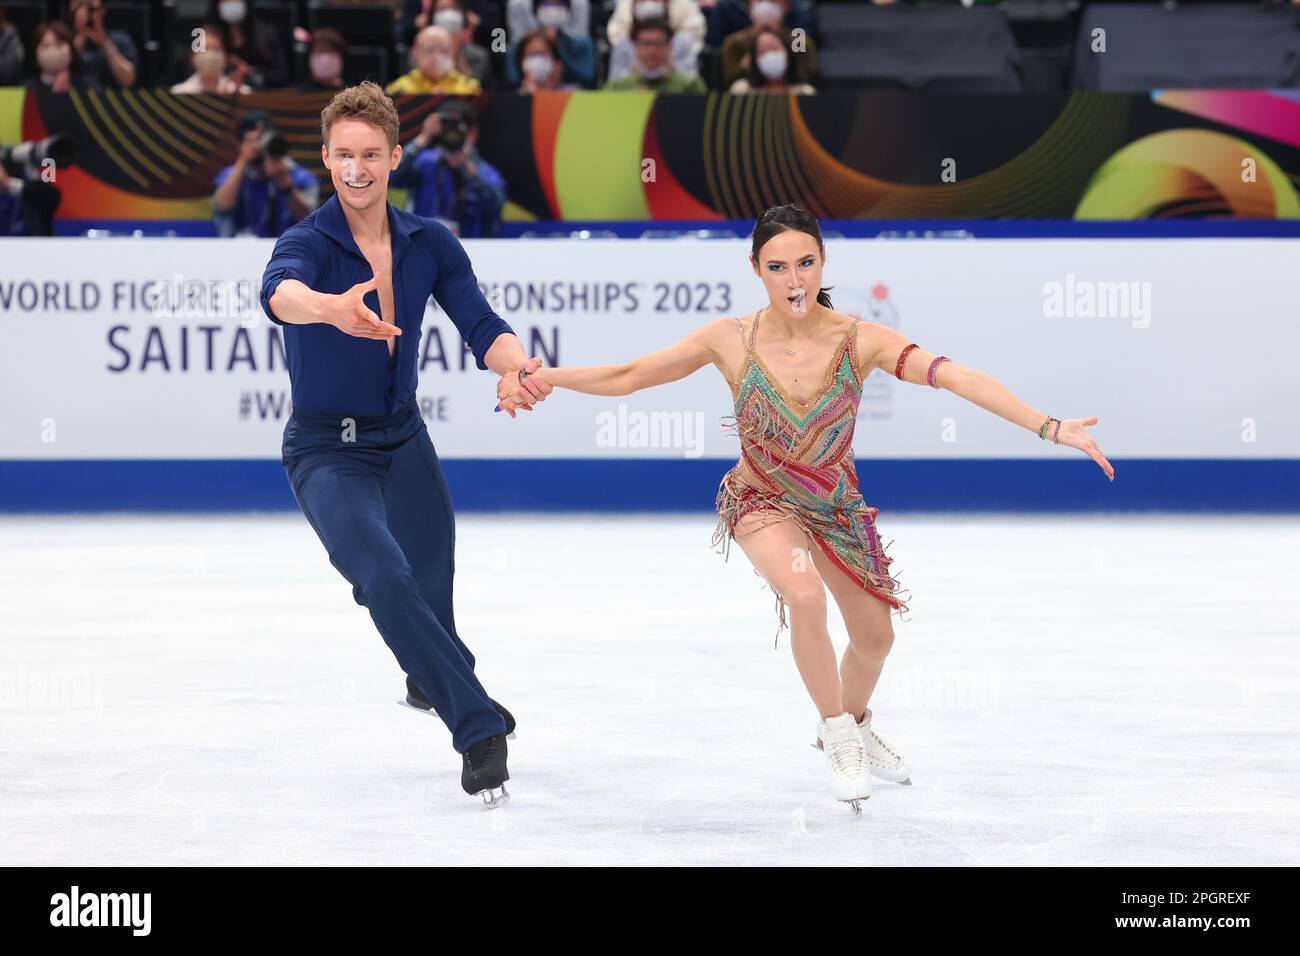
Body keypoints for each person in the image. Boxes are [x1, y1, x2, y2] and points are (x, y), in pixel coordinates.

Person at [499, 203, 1115, 810]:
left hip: (836, 504)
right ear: (755, 268)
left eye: (806, 263)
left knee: (875, 637)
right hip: (761, 497)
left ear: (823, 261)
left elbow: (958, 377)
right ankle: (837, 733)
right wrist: (548, 376)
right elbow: (630, 374)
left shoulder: (861, 340)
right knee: (803, 593)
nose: (794, 282)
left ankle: (856, 720)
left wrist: (1049, 426)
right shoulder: (729, 339)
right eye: (778, 267)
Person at [258, 82, 549, 806]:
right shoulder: (306, 243)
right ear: (326, 158)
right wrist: (330, 308)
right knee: (384, 578)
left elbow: (481, 324)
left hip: (405, 442)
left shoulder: (430, 243)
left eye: (371, 155)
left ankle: (432, 678)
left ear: (394, 157)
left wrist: (516, 366)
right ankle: (478, 728)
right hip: (327, 451)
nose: (357, 168)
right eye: (343, 155)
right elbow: (277, 294)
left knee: (433, 590)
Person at [389, 99, 506, 237]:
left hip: (471, 250)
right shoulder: (425, 162)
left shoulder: (485, 173)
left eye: (457, 128)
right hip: (424, 246)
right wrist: (423, 138)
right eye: (446, 127)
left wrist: (469, 170)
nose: (451, 133)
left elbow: (496, 207)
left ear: (472, 133)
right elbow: (391, 178)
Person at [213, 110, 319, 237]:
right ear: (240, 145)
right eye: (251, 141)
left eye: (262, 140)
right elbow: (223, 206)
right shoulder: (230, 174)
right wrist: (244, 159)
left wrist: (285, 183)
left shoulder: (300, 177)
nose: (258, 146)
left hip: (289, 247)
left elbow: (308, 217)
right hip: (239, 249)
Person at [721, 0, 816, 89]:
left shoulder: (798, 39)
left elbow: (808, 74)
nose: (766, 4)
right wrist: (745, 68)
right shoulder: (735, 42)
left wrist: (790, 63)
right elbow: (728, 79)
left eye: (773, 0)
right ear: (748, 5)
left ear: (786, 5)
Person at [602, 18, 705, 92]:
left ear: (669, 46)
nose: (652, 50)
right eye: (645, 44)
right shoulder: (617, 86)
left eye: (658, 44)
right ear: (635, 47)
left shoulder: (690, 85)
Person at [386, 25, 481, 94]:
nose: (437, 56)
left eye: (444, 50)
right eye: (430, 50)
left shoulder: (470, 88)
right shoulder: (398, 91)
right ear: (415, 53)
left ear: (453, 53)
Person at [70, 0, 139, 89]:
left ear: (103, 11)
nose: (87, 13)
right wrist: (81, 33)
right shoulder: (66, 37)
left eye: (91, 8)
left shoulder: (120, 39)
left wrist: (104, 43)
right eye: (81, 7)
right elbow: (62, 72)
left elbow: (128, 80)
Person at [171, 22, 252, 94]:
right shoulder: (179, 93)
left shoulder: (243, 92)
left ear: (225, 57)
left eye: (216, 49)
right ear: (193, 57)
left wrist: (234, 95)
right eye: (205, 49)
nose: (211, 54)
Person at [728, 25, 814, 94]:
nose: (770, 55)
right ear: (755, 60)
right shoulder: (741, 90)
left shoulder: (805, 92)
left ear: (787, 53)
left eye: (774, 48)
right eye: (763, 51)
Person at [25, 22, 96, 91]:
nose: (52, 50)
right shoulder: (25, 90)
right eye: (45, 45)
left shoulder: (88, 87)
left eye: (59, 44)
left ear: (71, 50)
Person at [296, 27, 346, 92]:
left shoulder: (351, 91)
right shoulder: (300, 92)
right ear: (309, 57)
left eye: (330, 51)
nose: (325, 58)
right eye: (320, 51)